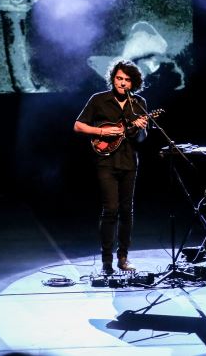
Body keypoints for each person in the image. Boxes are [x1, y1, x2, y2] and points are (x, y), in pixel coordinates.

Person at [74, 59, 149, 275]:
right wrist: (101, 131)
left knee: (127, 211)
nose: (122, 83)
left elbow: (142, 139)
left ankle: (123, 258)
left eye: (127, 80)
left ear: (134, 83)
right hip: (106, 162)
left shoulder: (139, 103)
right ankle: (106, 261)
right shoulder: (99, 100)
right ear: (112, 78)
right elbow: (78, 125)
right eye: (119, 78)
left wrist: (141, 128)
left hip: (129, 162)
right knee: (111, 209)